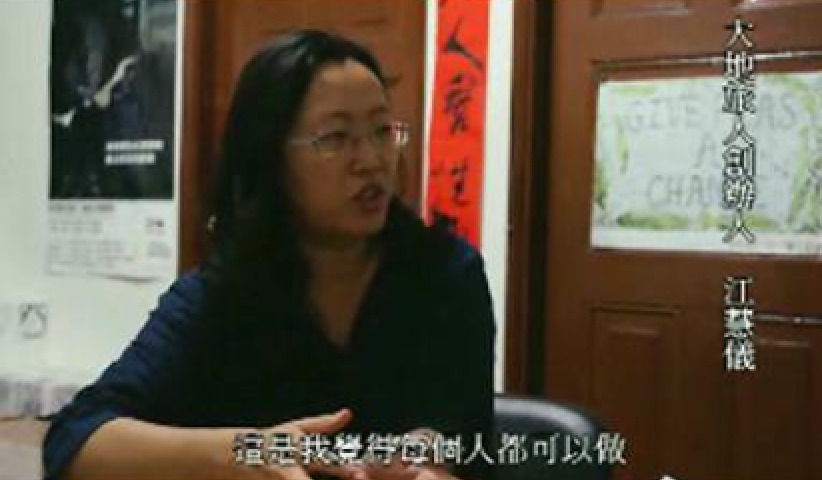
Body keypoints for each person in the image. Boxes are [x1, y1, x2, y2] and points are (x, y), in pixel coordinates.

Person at [41, 30, 496, 480]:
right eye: (336, 138)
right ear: (270, 159)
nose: (372, 160)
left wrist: (425, 458)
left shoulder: (445, 274)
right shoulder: (224, 292)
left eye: (382, 131)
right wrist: (248, 451)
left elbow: (464, 436)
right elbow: (76, 440)